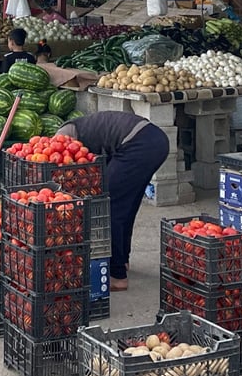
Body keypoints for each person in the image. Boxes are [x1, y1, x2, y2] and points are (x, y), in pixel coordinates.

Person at [59, 112, 170, 291]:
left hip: (138, 144)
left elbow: (68, 164)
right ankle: (122, 260)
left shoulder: (64, 137)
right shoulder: (82, 128)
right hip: (155, 140)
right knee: (127, 205)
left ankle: (117, 275)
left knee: (109, 207)